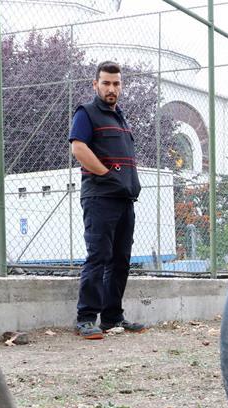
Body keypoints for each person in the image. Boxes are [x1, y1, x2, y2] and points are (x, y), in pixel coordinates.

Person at [69, 60, 146, 341]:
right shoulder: (86, 113)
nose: (111, 88)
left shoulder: (120, 118)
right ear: (96, 84)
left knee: (121, 260)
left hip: (124, 199)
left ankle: (112, 317)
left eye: (116, 84)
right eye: (106, 83)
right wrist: (106, 174)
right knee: (99, 256)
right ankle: (86, 318)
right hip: (100, 197)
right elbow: (78, 147)